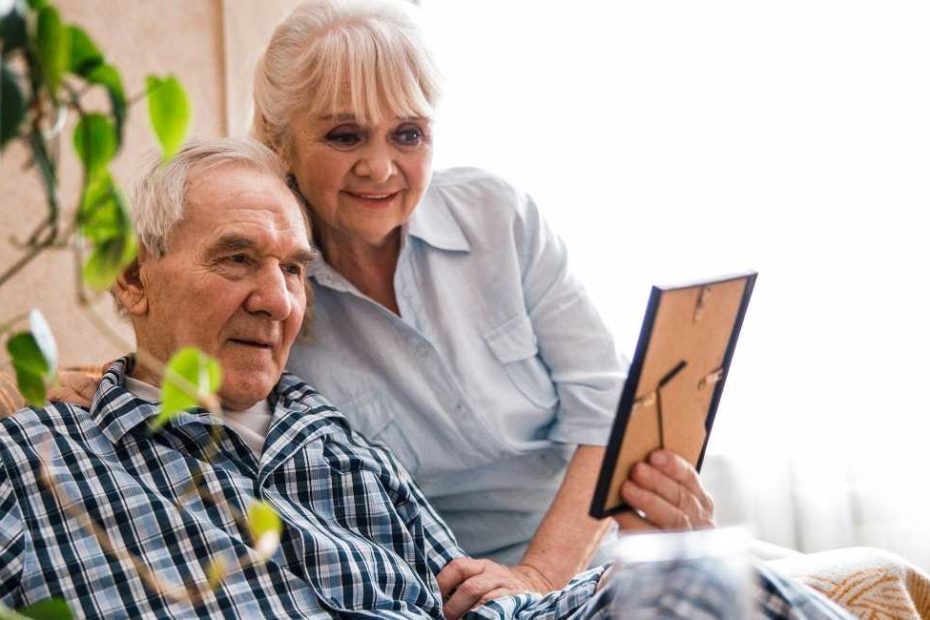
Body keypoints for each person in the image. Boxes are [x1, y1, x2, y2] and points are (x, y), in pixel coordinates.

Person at [0, 138, 850, 619]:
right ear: (132, 279)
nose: (275, 298)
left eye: (294, 270)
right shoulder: (34, 459)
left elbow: (477, 604)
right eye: (235, 259)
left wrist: (643, 566)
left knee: (720, 577)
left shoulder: (330, 436)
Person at [250, 0, 708, 596]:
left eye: (408, 134)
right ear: (281, 143)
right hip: (440, 591)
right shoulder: (269, 291)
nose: (381, 167)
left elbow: (609, 415)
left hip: (584, 554)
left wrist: (539, 575)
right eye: (346, 135)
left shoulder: (499, 216)